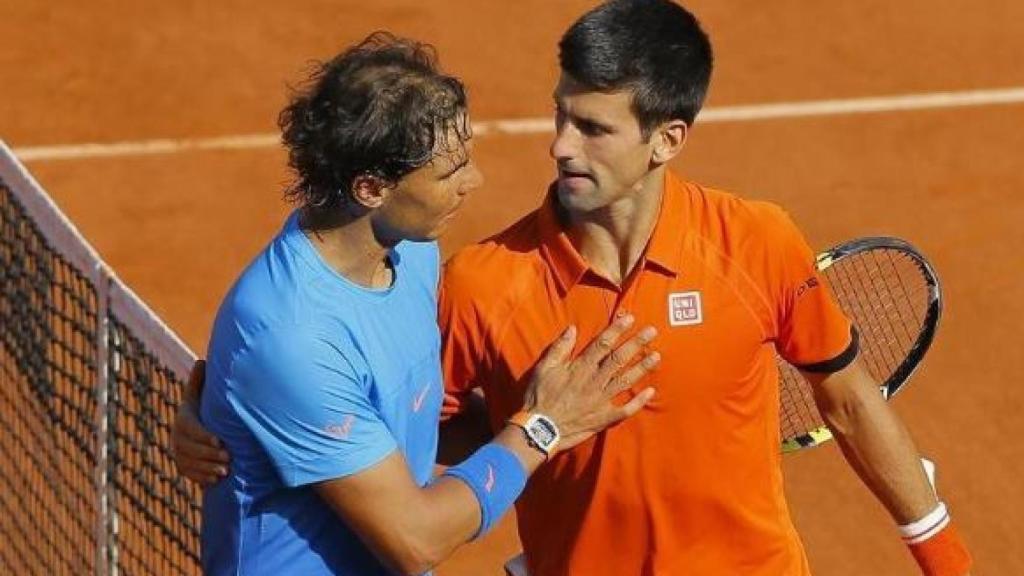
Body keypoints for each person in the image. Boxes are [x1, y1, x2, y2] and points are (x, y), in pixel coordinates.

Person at [177, 3, 974, 575]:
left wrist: (941, 553)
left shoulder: (756, 242)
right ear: (372, 187)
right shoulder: (482, 282)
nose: (558, 146)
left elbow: (849, 396)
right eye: (562, 116)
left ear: (668, 139)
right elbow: (427, 443)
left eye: (592, 127)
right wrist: (233, 425)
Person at [176, 31, 662, 576]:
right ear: (370, 189)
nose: (473, 182)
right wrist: (543, 426)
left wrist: (578, 419)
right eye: (449, 171)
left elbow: (418, 418)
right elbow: (416, 539)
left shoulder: (412, 253)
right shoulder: (293, 338)